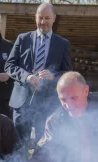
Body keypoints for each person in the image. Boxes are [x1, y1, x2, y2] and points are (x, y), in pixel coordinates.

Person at [5, 3, 72, 145]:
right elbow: (9, 66)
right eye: (40, 17)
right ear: (35, 18)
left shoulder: (63, 44)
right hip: (21, 102)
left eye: (47, 18)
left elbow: (68, 74)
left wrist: (54, 76)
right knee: (18, 147)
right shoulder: (23, 39)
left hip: (47, 105)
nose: (43, 22)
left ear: (54, 18)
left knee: (44, 147)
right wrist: (27, 76)